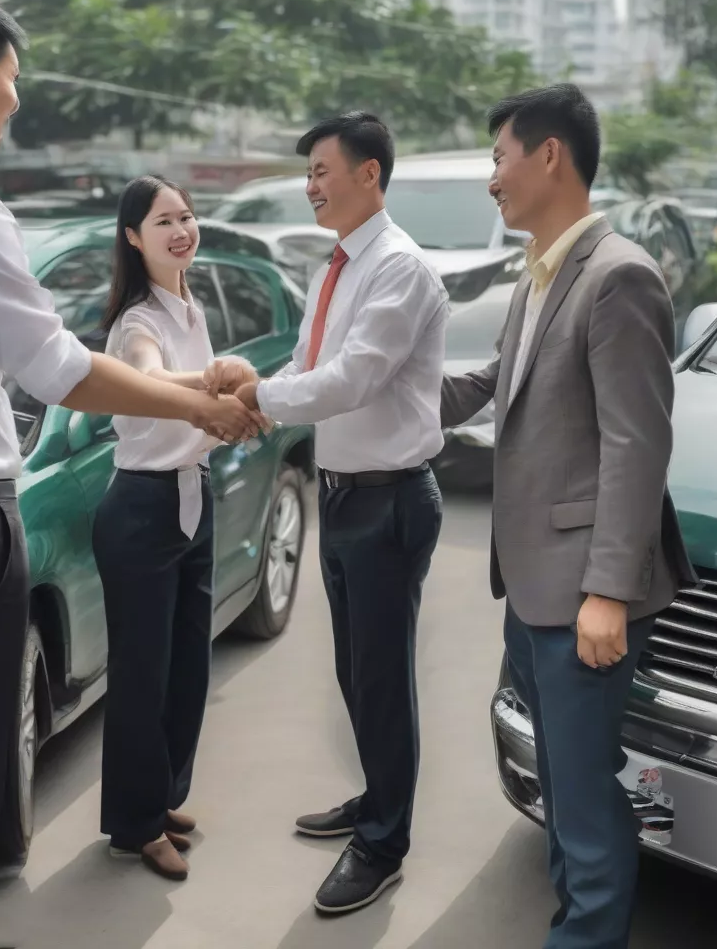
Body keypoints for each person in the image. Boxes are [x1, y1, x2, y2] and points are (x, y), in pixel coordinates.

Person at [0, 0, 255, 949]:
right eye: (14, 79)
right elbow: (60, 370)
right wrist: (201, 405)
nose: (17, 103)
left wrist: (192, 384)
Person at [441, 84, 697, 949]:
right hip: (532, 586)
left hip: (581, 594)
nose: (492, 179)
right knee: (559, 782)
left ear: (550, 155)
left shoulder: (619, 274)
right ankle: (571, 925)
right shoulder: (544, 270)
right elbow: (492, 385)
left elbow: (636, 446)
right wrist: (368, 394)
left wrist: (607, 593)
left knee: (584, 795)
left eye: (499, 157)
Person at [234, 111, 448, 914]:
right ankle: (377, 796)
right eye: (309, 173)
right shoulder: (338, 267)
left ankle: (384, 843)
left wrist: (254, 398)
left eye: (324, 170)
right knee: (356, 672)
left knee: (382, 678)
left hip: (390, 500)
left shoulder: (398, 268)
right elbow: (307, 364)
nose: (311, 185)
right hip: (343, 494)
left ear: (370, 175)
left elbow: (353, 378)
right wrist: (258, 396)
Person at [92, 175, 259, 881]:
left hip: (194, 500)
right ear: (134, 237)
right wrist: (216, 389)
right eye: (164, 221)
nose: (180, 230)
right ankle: (133, 826)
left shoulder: (188, 305)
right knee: (141, 677)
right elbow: (148, 377)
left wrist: (235, 394)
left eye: (187, 217)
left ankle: (158, 798)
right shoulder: (139, 321)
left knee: (189, 668)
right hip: (143, 510)